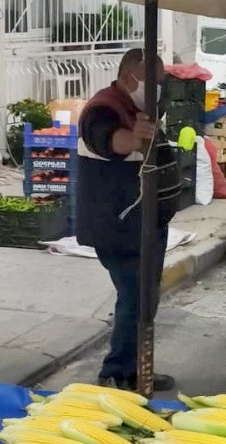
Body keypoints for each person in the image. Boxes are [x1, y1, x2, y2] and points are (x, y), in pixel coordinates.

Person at [76, 49, 177, 393]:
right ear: (130, 77)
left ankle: (138, 370)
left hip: (147, 224)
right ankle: (115, 371)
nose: (159, 89)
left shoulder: (141, 107)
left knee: (146, 297)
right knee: (134, 296)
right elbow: (110, 140)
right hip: (118, 226)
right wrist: (134, 137)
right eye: (154, 83)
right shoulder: (102, 108)